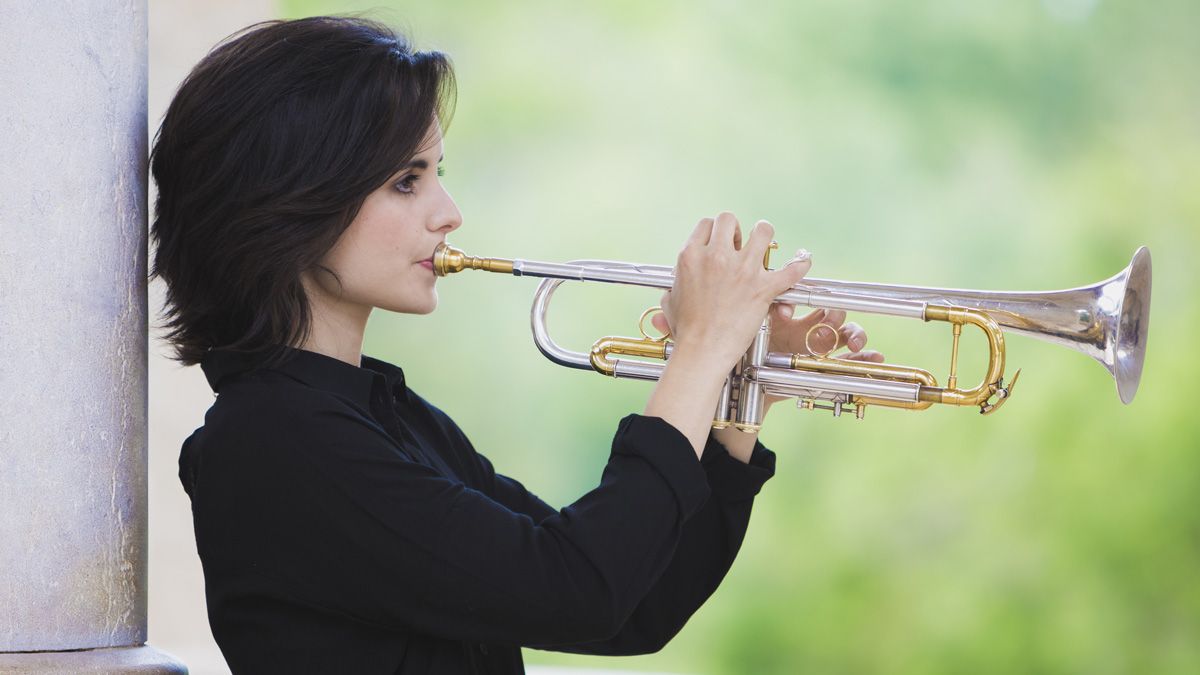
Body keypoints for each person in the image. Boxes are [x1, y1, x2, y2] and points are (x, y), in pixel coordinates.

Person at [151, 16, 883, 675]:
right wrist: (697, 348)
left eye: (439, 174)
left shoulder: (394, 419)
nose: (450, 213)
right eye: (407, 182)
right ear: (292, 199)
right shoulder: (273, 443)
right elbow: (579, 588)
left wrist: (733, 402)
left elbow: (636, 607)